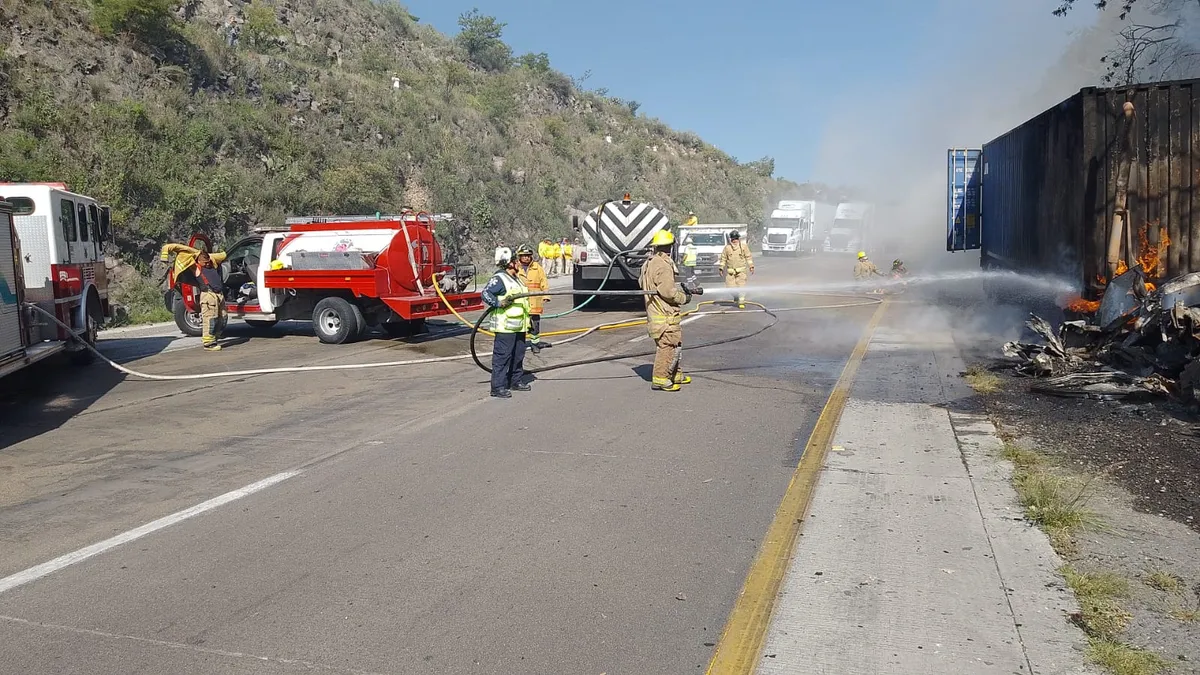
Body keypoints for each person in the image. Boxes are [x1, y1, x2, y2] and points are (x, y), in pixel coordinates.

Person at [639, 230, 695, 392]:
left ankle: (675, 374)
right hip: (665, 315)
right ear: (670, 247)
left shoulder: (649, 262)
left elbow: (642, 282)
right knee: (668, 345)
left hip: (656, 312)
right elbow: (668, 292)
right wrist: (684, 298)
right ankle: (661, 378)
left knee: (674, 344)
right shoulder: (663, 265)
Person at [481, 248, 532, 398]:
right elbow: (485, 294)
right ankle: (498, 387)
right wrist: (498, 302)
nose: (519, 262)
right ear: (510, 263)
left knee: (518, 355)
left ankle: (515, 381)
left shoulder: (516, 278)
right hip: (505, 327)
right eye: (516, 260)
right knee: (502, 357)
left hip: (519, 325)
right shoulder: (500, 279)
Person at [161, 242, 228, 351]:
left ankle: (216, 335)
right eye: (204, 262)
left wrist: (208, 256)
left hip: (219, 295)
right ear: (198, 261)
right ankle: (208, 343)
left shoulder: (212, 262)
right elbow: (178, 248)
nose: (207, 264)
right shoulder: (195, 267)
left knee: (223, 318)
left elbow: (223, 255)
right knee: (210, 319)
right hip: (208, 295)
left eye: (208, 262)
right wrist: (166, 251)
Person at [515, 244, 550, 353]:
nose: (526, 258)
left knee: (535, 325)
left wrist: (546, 295)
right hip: (520, 303)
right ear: (519, 257)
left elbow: (544, 282)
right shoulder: (516, 268)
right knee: (520, 325)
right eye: (523, 256)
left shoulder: (537, 267)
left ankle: (535, 344)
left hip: (535, 302)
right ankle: (519, 345)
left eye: (528, 255)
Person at [718, 230, 754, 309]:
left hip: (741, 272)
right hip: (730, 272)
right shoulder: (727, 248)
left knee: (741, 287)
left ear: (738, 239)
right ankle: (736, 296)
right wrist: (721, 268)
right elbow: (723, 258)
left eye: (736, 239)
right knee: (730, 287)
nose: (735, 241)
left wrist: (751, 266)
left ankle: (741, 302)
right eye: (733, 239)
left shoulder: (743, 247)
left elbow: (748, 257)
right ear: (731, 239)